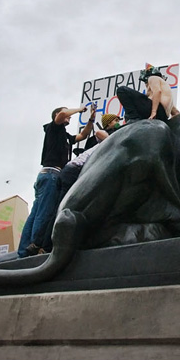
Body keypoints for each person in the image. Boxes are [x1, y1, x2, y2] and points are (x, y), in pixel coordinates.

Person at [17, 103, 95, 257]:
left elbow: (83, 135)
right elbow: (61, 115)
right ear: (59, 115)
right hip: (51, 174)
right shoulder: (53, 128)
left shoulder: (65, 136)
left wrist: (91, 120)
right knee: (45, 213)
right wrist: (79, 110)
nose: (70, 117)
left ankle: (23, 251)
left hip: (46, 176)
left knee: (35, 214)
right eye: (67, 114)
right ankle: (35, 245)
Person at [58, 113, 125, 201]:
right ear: (108, 123)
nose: (118, 123)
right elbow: (98, 133)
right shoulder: (105, 135)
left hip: (80, 171)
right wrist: (115, 142)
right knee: (65, 200)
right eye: (115, 120)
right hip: (74, 169)